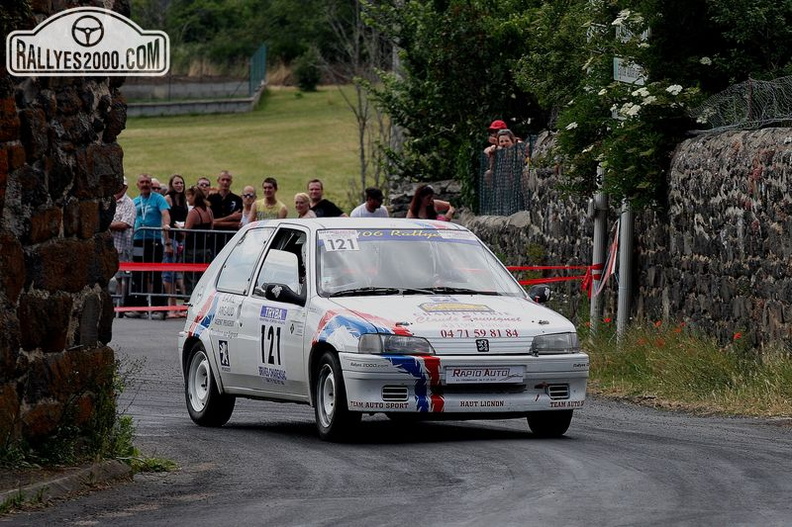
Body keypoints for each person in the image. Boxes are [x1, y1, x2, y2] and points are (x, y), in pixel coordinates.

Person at [129, 173, 172, 318]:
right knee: (138, 274)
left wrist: (166, 224)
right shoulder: (135, 201)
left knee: (155, 275)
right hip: (138, 241)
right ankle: (139, 307)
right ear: (138, 185)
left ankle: (159, 309)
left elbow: (165, 213)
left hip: (153, 242)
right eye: (142, 182)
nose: (145, 184)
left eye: (147, 182)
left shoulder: (158, 198)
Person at [163, 174, 188, 318]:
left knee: (177, 273)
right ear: (172, 185)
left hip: (180, 238)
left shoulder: (183, 199)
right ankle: (171, 306)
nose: (179, 185)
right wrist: (167, 242)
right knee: (169, 274)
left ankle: (176, 307)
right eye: (177, 183)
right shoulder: (168, 199)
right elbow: (165, 221)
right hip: (171, 238)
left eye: (181, 183)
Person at [109, 177, 136, 311]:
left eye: (122, 186)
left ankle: (121, 305)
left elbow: (125, 224)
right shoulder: (109, 200)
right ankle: (112, 302)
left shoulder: (129, 203)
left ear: (125, 188)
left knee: (121, 277)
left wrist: (107, 225)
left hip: (122, 247)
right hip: (108, 246)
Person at [184, 185, 215, 295]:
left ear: (193, 196)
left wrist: (179, 228)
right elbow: (211, 227)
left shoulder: (194, 212)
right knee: (203, 277)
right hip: (206, 249)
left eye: (188, 196)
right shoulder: (208, 210)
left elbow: (186, 231)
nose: (187, 199)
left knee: (191, 278)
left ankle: (191, 299)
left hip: (193, 250)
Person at [207, 170, 243, 251]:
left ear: (231, 182)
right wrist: (230, 217)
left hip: (231, 239)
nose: (225, 182)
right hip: (214, 239)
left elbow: (237, 223)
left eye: (228, 180)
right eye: (223, 180)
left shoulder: (237, 199)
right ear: (218, 181)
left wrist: (217, 222)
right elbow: (210, 222)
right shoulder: (211, 199)